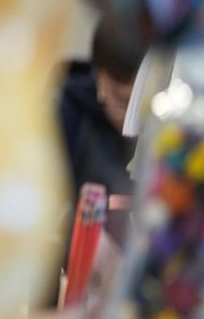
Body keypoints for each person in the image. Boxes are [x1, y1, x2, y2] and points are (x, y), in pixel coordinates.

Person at [57, 22, 146, 201]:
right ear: (100, 81)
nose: (135, 120)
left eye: (144, 105)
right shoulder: (64, 119)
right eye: (124, 101)